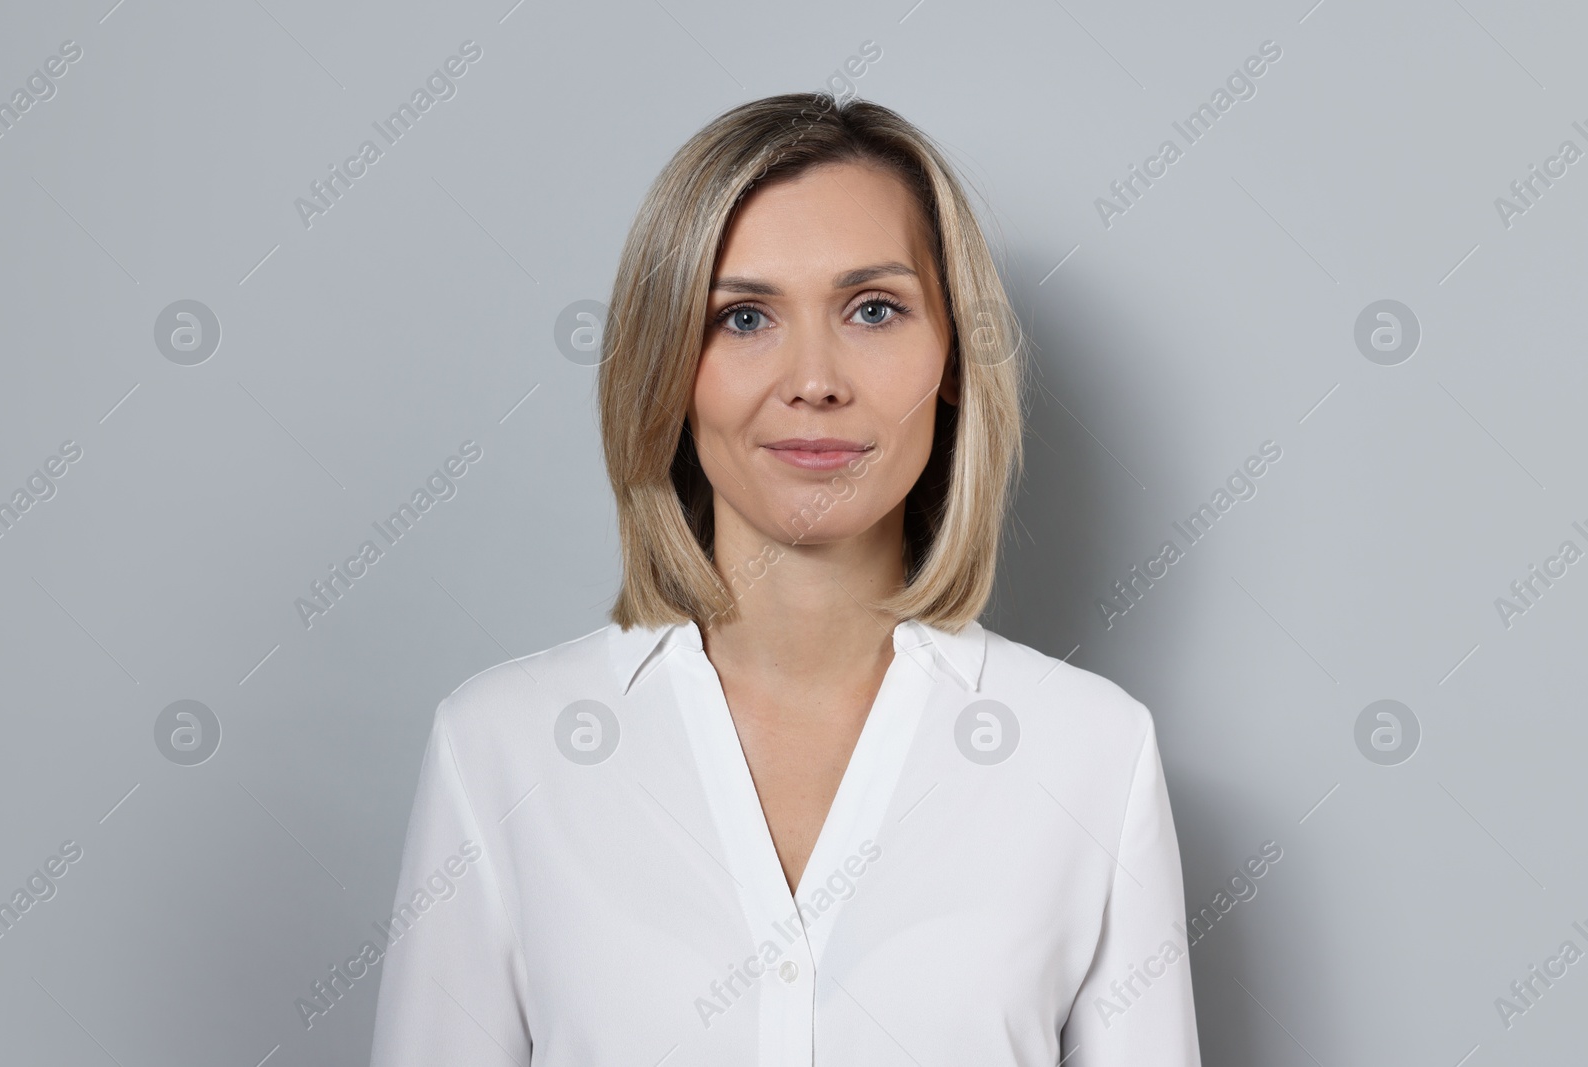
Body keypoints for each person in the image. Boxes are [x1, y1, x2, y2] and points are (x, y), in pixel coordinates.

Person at [368, 92, 1201, 1066]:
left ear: (951, 356)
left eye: (874, 308)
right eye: (745, 315)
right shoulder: (501, 750)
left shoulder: (1091, 754)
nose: (813, 377)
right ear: (668, 362)